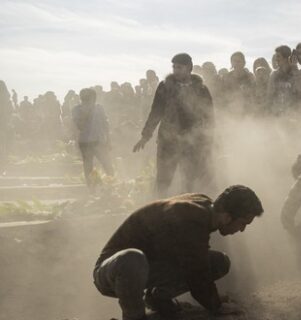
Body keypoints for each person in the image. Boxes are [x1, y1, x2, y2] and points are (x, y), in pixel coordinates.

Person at [93, 186, 264, 320]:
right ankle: (135, 316)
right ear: (227, 217)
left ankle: (158, 297)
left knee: (218, 262)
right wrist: (216, 306)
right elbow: (197, 272)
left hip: (147, 266)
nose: (242, 230)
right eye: (243, 223)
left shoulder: (205, 208)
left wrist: (214, 300)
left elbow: (196, 262)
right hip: (113, 271)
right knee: (132, 258)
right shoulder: (191, 218)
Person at [133, 53, 214, 198]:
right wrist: (145, 136)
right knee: (163, 179)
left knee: (190, 179)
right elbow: (156, 111)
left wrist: (209, 139)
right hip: (168, 140)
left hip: (193, 141)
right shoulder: (165, 87)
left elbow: (209, 116)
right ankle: (159, 208)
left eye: (180, 67)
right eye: (174, 67)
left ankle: (188, 209)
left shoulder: (201, 89)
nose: (176, 70)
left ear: (189, 68)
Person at [72, 88, 114, 187]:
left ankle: (111, 184)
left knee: (107, 164)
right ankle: (91, 188)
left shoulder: (99, 108)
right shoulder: (77, 109)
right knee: (88, 167)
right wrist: (87, 112)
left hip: (99, 141)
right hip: (85, 142)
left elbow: (105, 124)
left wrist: (108, 140)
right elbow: (79, 126)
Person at [266, 45, 301, 117]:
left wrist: (294, 68)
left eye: (278, 56)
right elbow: (269, 97)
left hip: (294, 116)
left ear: (286, 58)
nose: (276, 59)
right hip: (277, 116)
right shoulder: (274, 75)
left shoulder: (296, 73)